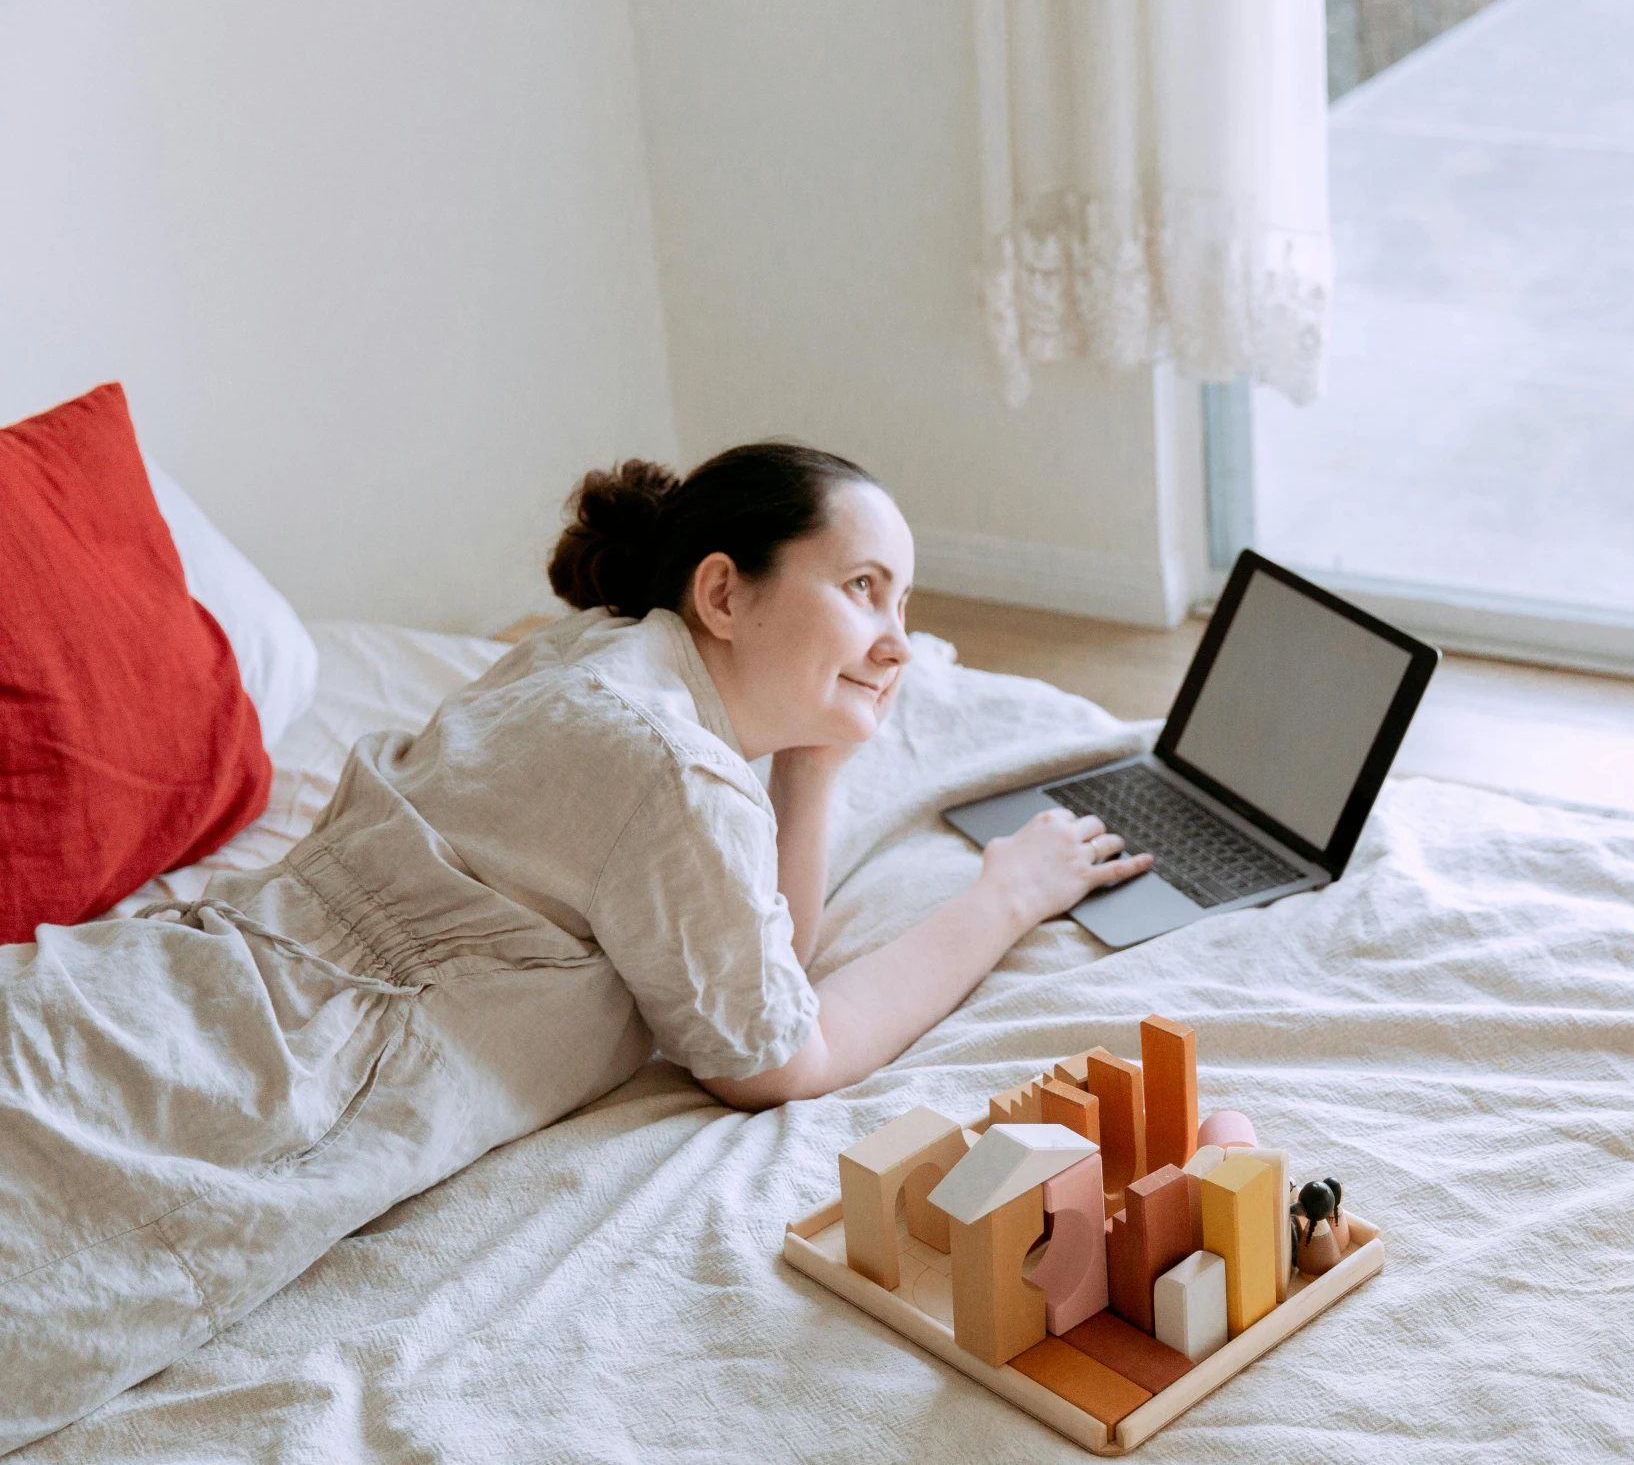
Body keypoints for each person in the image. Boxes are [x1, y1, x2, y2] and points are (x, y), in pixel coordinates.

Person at [0, 442, 1151, 1449]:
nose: (898, 645)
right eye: (865, 590)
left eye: (903, 610)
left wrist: (811, 760)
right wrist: (1005, 896)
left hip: (148, 984)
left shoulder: (589, 658)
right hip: (228, 1079)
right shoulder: (668, 771)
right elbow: (776, 1055)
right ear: (723, 592)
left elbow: (753, 960)